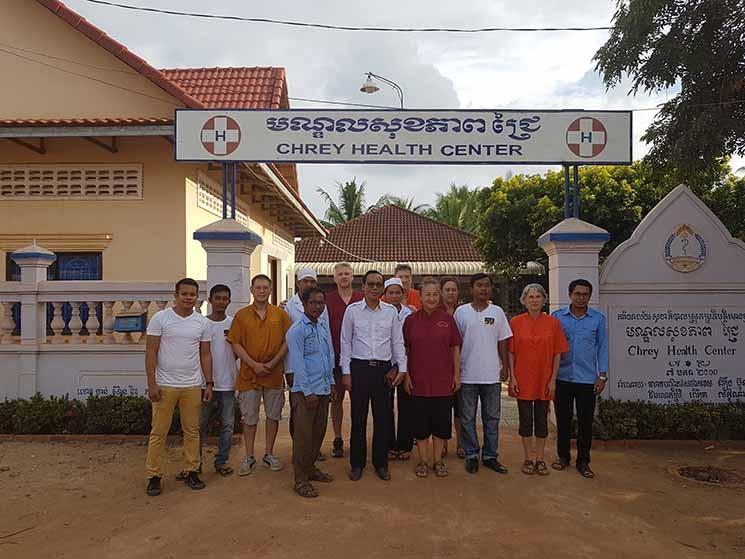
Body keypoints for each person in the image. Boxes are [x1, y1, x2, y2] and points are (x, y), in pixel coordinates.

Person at [144, 278, 212, 496]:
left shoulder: (202, 323)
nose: (188, 298)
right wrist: (151, 383)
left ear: (196, 297)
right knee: (159, 432)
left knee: (192, 431)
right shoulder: (160, 318)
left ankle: (192, 471)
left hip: (191, 385)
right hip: (164, 385)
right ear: (176, 295)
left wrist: (208, 382)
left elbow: (205, 354)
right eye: (184, 294)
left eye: (192, 294)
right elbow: (151, 352)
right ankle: (154, 475)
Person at [340, 270, 407, 481]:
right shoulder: (352, 311)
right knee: (358, 418)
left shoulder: (390, 313)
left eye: (379, 285)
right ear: (363, 287)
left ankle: (381, 463)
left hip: (383, 371)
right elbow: (345, 343)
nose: (375, 288)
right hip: (359, 369)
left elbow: (397, 342)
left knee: (383, 418)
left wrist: (401, 368)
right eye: (371, 284)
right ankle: (357, 464)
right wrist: (346, 372)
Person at [227, 274, 292, 476]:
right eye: (258, 287)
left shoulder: (280, 315)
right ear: (252, 290)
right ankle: (249, 456)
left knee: (273, 416)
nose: (262, 291)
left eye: (265, 287)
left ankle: (269, 454)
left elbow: (288, 341)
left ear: (270, 290)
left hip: (273, 374)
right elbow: (235, 343)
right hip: (249, 374)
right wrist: (253, 364)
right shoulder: (241, 315)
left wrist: (272, 363)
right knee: (249, 418)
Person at [403, 277, 462, 478]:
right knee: (420, 424)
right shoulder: (411, 321)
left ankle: (437, 460)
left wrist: (456, 374)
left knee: (440, 423)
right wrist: (407, 376)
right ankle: (423, 460)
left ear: (440, 297)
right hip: (418, 381)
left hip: (443, 381)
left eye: (435, 294)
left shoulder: (448, 319)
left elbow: (455, 348)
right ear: (420, 296)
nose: (431, 298)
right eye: (427, 294)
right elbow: (405, 350)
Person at [454, 273, 512, 475]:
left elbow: (503, 341)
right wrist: (456, 371)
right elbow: (455, 344)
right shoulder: (461, 312)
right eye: (479, 285)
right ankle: (471, 454)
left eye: (487, 285)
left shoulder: (497, 312)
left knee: (492, 418)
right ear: (471, 289)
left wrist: (505, 366)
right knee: (467, 417)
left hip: (491, 375)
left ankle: (490, 456)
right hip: (467, 374)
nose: (483, 289)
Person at [508, 284, 568, 476]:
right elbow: (510, 352)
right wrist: (512, 377)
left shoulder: (553, 323)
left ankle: (540, 459)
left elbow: (558, 353)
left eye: (538, 296)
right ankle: (528, 458)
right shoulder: (516, 322)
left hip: (544, 379)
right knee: (526, 421)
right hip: (523, 379)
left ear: (544, 300)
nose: (534, 300)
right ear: (524, 301)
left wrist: (553, 380)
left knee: (541, 421)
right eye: (530, 297)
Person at [551, 279, 609, 478]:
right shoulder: (557, 318)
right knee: (563, 420)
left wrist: (602, 376)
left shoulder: (597, 320)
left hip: (587, 380)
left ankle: (583, 461)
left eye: (585, 294)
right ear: (570, 295)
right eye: (577, 294)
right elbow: (551, 349)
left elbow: (602, 348)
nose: (581, 297)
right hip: (563, 378)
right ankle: (563, 457)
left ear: (589, 297)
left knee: (585, 422)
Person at [286, 287, 336, 498]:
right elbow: (297, 363)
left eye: (321, 303)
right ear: (304, 305)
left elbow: (329, 355)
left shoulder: (322, 327)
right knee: (303, 437)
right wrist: (307, 392)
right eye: (313, 303)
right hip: (305, 392)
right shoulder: (297, 330)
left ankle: (311, 469)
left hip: (323, 389)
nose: (318, 306)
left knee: (318, 434)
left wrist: (331, 382)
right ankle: (300, 480)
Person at [197, 284, 238, 477]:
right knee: (199, 426)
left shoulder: (234, 324)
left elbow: (238, 351)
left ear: (229, 301)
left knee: (228, 426)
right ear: (210, 300)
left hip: (228, 383)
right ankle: (194, 464)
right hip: (204, 384)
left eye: (225, 298)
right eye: (218, 298)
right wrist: (207, 381)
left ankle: (221, 462)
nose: (221, 302)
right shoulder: (201, 324)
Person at [325, 262, 363, 458]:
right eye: (340, 274)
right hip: (335, 357)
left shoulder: (362, 299)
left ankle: (358, 438)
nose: (344, 277)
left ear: (353, 277)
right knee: (337, 399)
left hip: (359, 358)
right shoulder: (326, 300)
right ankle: (338, 437)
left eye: (347, 273)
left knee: (359, 400)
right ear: (334, 278)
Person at [383, 277, 414, 462]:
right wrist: (392, 366)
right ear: (384, 295)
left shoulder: (410, 314)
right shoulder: (380, 312)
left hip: (406, 365)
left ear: (403, 294)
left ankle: (405, 445)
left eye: (397, 292)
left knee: (406, 406)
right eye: (390, 293)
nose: (394, 296)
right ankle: (388, 445)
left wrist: (403, 366)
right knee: (386, 408)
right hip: (386, 366)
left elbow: (410, 342)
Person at [439, 275, 463, 459]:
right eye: (447, 289)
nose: (450, 293)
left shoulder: (465, 312)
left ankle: (462, 444)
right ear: (441, 292)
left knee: (461, 410)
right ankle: (443, 444)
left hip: (465, 367)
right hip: (441, 369)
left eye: (453, 289)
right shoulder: (436, 312)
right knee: (444, 409)